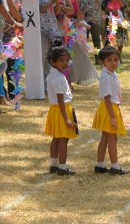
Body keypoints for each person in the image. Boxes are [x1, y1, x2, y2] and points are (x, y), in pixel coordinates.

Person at [92, 46, 129, 175]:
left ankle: (100, 165)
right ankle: (115, 166)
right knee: (112, 138)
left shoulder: (111, 74)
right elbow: (107, 98)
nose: (113, 63)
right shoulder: (105, 77)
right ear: (102, 61)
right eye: (109, 60)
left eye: (116, 59)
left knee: (105, 138)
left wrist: (118, 97)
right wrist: (112, 117)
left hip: (110, 107)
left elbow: (112, 91)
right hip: (109, 109)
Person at [44, 46, 78, 176]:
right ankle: (62, 167)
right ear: (53, 62)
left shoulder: (54, 75)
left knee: (56, 138)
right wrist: (67, 118)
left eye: (67, 60)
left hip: (55, 110)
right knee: (63, 139)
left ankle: (54, 165)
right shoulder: (58, 78)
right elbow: (60, 99)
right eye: (61, 60)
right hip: (61, 110)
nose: (65, 63)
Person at [69, 8, 98, 86]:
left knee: (84, 57)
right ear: (76, 14)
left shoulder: (83, 22)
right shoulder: (73, 22)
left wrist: (84, 25)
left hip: (83, 43)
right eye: (79, 14)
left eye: (82, 14)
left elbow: (89, 27)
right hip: (76, 43)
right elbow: (71, 27)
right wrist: (76, 24)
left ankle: (84, 75)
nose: (80, 15)